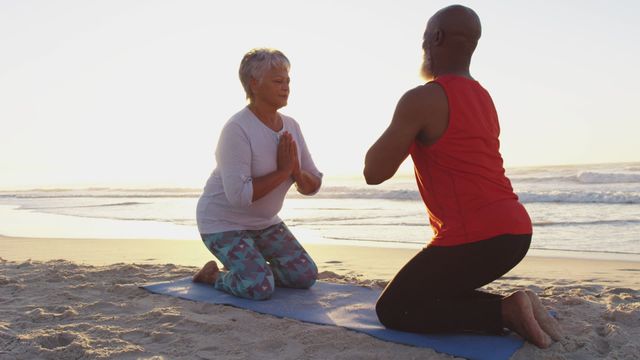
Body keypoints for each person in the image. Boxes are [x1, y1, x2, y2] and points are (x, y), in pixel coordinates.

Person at [363, 5, 562, 348]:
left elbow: (374, 172)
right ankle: (517, 305)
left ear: (435, 38)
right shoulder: (483, 97)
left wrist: (405, 128)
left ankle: (507, 312)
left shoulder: (422, 99)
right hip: (514, 232)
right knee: (434, 292)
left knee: (395, 309)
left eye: (424, 36)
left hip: (477, 236)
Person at [193, 48, 322, 300]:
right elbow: (239, 196)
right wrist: (284, 171)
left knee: (305, 276)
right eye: (277, 81)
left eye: (287, 81)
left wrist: (295, 171)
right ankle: (212, 276)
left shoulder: (292, 126)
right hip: (222, 224)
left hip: (265, 223)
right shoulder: (237, 129)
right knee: (258, 288)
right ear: (254, 84)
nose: (285, 87)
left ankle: (250, 267)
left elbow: (313, 184)